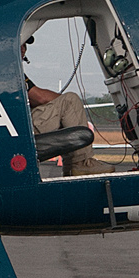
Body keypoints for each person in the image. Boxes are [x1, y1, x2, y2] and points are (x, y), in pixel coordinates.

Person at [23, 38, 114, 176]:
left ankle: (71, 168)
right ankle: (81, 163)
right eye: (20, 45)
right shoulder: (10, 72)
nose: (23, 49)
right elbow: (39, 97)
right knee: (70, 101)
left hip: (18, 126)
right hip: (22, 129)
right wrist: (61, 100)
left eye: (25, 45)